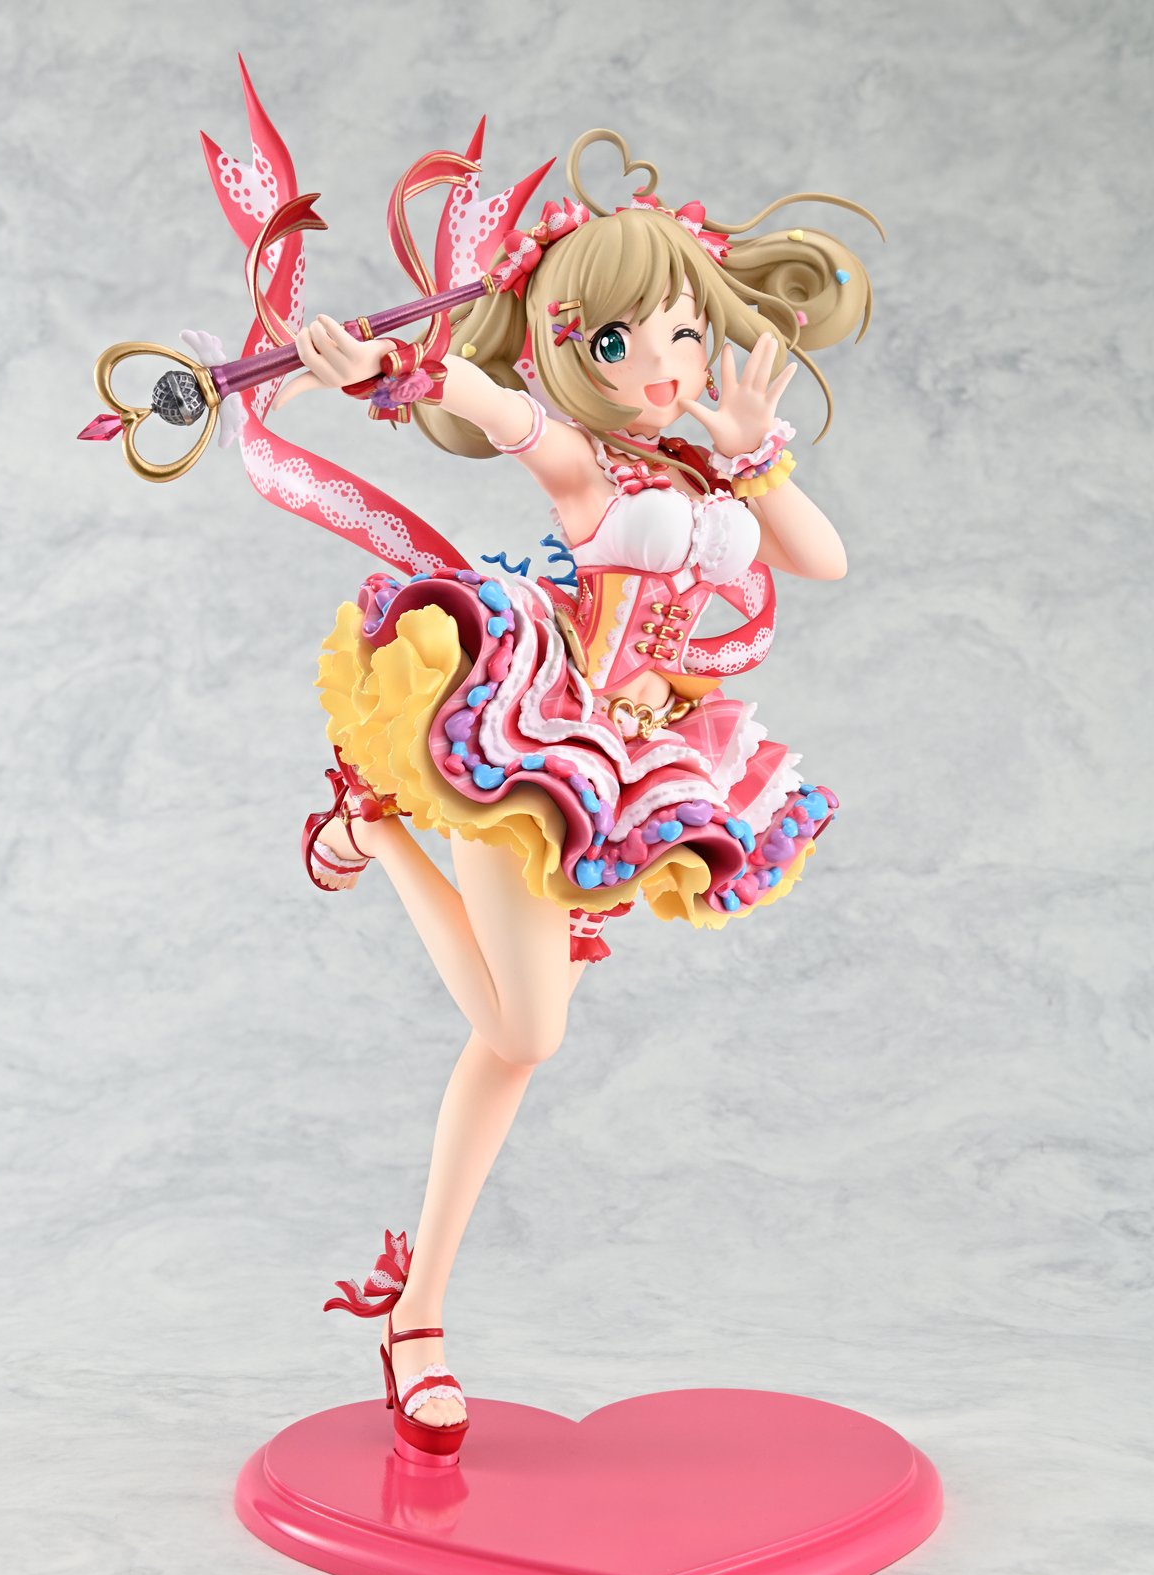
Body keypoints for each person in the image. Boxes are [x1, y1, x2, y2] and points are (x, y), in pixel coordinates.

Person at [204, 84, 880, 1462]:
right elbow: (498, 410)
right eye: (616, 339)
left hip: (640, 762)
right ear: (570, 347)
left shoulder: (709, 478)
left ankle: (420, 1317)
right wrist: (389, 369)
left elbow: (822, 559)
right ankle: (376, 834)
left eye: (679, 331)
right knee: (527, 1038)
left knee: (514, 1048)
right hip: (530, 733)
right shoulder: (590, 470)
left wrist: (754, 455)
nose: (661, 362)